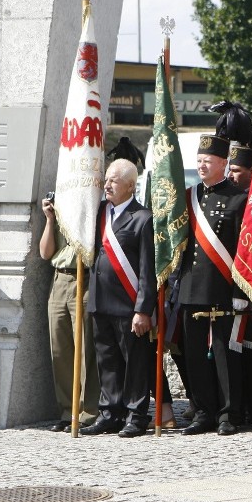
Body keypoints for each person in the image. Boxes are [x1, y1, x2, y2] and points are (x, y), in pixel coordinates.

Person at [80, 159, 157, 438]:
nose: (107, 184)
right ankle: (110, 412)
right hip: (100, 302)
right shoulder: (100, 212)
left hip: (128, 306)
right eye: (107, 179)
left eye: (113, 180)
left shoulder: (142, 218)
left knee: (135, 362)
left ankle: (136, 415)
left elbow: (149, 271)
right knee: (107, 360)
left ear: (130, 186)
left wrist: (143, 310)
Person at [178, 133, 248, 436]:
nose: (202, 165)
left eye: (208, 161)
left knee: (224, 354)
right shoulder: (188, 197)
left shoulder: (238, 199)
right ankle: (203, 410)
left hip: (222, 287)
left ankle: (228, 414)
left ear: (224, 163)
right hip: (192, 287)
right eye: (199, 160)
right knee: (194, 355)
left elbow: (244, 252)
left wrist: (239, 292)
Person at [39, 195, 100, 432]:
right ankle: (67, 410)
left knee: (85, 348)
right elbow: (45, 253)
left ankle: (87, 411)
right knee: (60, 349)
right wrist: (49, 219)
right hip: (59, 278)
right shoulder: (59, 210)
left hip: (83, 278)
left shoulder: (91, 206)